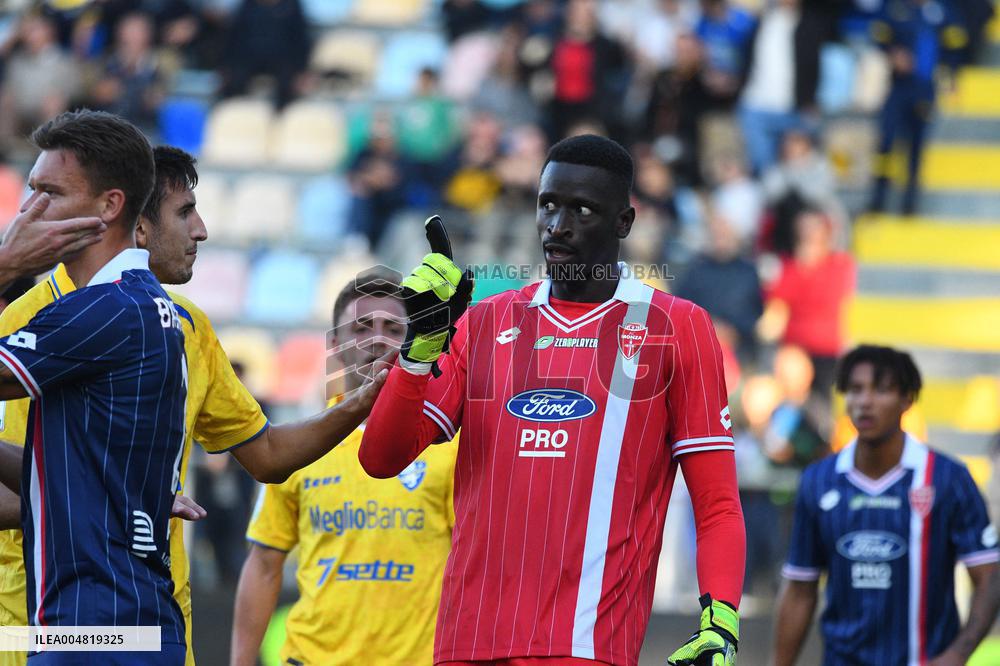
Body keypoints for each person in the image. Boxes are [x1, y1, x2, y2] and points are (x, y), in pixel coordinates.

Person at [360, 134, 745, 666]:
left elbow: (718, 503)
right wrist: (418, 351)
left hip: (585, 645)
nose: (557, 226)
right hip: (467, 640)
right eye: (548, 205)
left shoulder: (676, 327)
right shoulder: (484, 321)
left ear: (624, 222)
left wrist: (721, 622)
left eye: (581, 210)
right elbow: (381, 458)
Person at [0, 142, 390, 666]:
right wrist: (110, 499)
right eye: (184, 212)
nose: (201, 230)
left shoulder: (185, 326)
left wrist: (361, 402)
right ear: (136, 226)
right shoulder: (21, 323)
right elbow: (37, 486)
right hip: (36, 623)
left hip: (153, 616)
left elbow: (267, 455)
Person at [0, 110, 187, 664]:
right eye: (31, 190)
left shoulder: (105, 311)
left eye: (50, 193)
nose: (28, 211)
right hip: (125, 625)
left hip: (95, 630)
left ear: (109, 206)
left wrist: (5, 265)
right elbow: (63, 472)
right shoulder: (139, 303)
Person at [231, 268, 458, 666]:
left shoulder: (447, 444)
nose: (377, 339)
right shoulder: (299, 446)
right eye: (361, 328)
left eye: (393, 328)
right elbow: (264, 563)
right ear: (335, 344)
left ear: (414, 340)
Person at [773, 345, 1000, 666]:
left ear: (907, 399)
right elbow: (800, 587)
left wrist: (956, 654)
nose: (865, 401)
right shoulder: (818, 480)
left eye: (881, 390)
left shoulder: (948, 478)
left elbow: (989, 576)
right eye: (855, 389)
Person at [867, 0, 967, 215]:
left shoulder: (941, 11)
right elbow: (878, 35)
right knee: (886, 142)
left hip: (925, 90)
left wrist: (950, 74)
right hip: (898, 88)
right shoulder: (895, 8)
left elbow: (956, 45)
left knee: (916, 146)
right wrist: (893, 54)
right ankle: (878, 198)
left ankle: (910, 201)